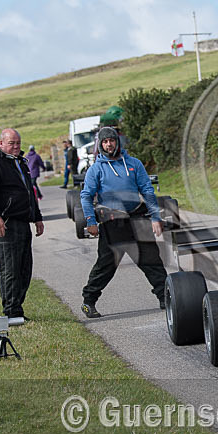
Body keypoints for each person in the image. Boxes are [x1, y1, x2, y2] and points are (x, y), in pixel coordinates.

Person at [79, 127, 166, 318]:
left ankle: (165, 297)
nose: (109, 144)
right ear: (100, 145)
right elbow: (86, 196)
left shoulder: (134, 164)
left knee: (151, 260)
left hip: (137, 218)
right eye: (105, 142)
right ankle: (89, 301)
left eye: (111, 140)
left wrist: (155, 217)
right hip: (112, 223)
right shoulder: (96, 169)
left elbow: (147, 191)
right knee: (106, 266)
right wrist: (90, 221)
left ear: (117, 141)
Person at [0, 128, 45, 320]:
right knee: (9, 268)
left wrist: (37, 217)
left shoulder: (21, 163)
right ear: (1, 144)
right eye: (11, 143)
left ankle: (17, 308)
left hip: (22, 223)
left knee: (24, 268)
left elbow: (29, 192)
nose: (15, 147)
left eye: (18, 143)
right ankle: (11, 312)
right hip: (3, 224)